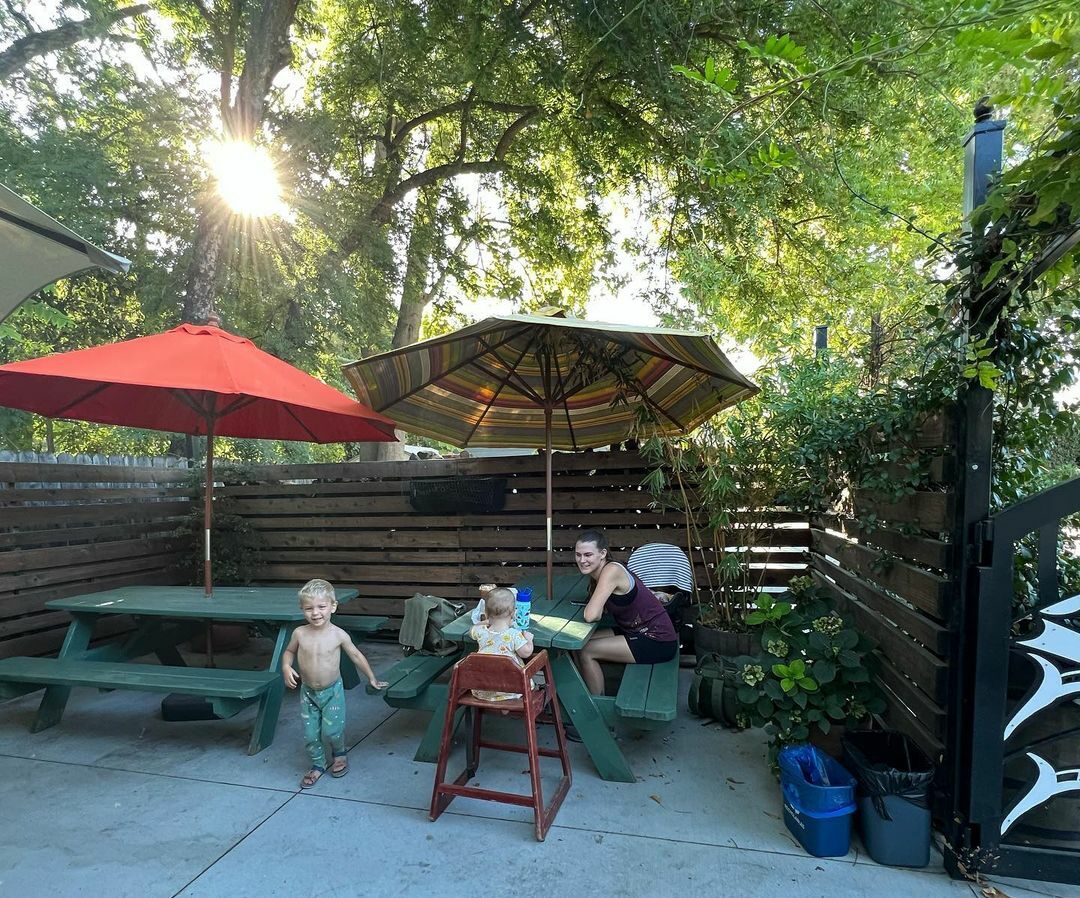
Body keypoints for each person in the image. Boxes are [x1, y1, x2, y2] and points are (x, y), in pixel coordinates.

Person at [282, 578, 388, 789]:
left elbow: (356, 656)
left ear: (333, 606)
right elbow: (289, 651)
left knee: (333, 730)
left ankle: (339, 752)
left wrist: (372, 678)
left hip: (332, 691)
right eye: (309, 608)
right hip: (308, 692)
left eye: (321, 607)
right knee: (311, 733)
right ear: (302, 609)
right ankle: (318, 763)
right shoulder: (300, 633)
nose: (316, 613)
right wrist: (286, 666)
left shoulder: (338, 635)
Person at [575, 529, 679, 695]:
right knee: (577, 643)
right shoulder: (599, 573)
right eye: (578, 555)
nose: (582, 560)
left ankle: (595, 706)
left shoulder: (612, 571)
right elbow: (599, 612)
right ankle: (583, 692)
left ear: (602, 553)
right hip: (634, 630)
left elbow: (591, 615)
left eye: (588, 555)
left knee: (586, 651)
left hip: (657, 640)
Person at [468, 586, 535, 702]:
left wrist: (486, 622)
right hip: (512, 690)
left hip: (484, 689)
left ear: (486, 614)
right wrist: (529, 640)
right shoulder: (514, 635)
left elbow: (472, 629)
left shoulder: (481, 631)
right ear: (514, 613)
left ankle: (501, 705)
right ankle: (505, 706)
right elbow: (526, 653)